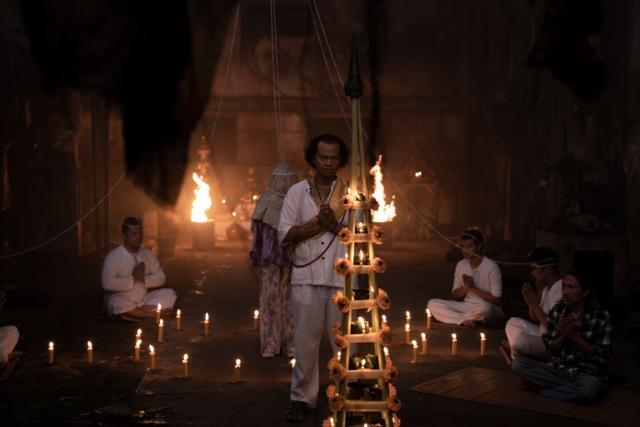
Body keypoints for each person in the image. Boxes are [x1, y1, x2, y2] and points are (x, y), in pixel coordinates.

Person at [278, 134, 349, 423]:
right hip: (305, 275)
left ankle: (344, 394)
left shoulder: (350, 193)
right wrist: (320, 225)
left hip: (339, 277)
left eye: (333, 157)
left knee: (342, 341)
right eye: (323, 157)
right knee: (304, 342)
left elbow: (358, 237)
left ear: (340, 160)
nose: (328, 162)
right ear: (313, 159)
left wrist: (334, 227)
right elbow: (284, 234)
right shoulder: (297, 192)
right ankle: (301, 399)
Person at [512, 271, 613, 402]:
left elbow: (604, 358)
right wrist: (564, 336)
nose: (565, 292)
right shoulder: (559, 310)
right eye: (563, 286)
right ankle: (565, 389)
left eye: (571, 287)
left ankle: (541, 389)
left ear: (585, 292)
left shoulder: (600, 317)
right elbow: (551, 349)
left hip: (586, 374)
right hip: (559, 370)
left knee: (588, 389)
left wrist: (574, 336)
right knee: (518, 364)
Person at [250, 163, 297, 358]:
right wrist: (254, 257)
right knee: (270, 302)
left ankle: (292, 344)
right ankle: (270, 344)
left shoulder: (297, 202)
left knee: (292, 304)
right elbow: (257, 234)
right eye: (282, 179)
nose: (285, 184)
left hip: (293, 262)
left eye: (289, 179)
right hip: (270, 262)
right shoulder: (265, 202)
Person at [101, 217, 176, 320]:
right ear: (124, 235)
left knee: (169, 293)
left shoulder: (147, 254)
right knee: (114, 303)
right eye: (134, 234)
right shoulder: (113, 256)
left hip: (143, 299)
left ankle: (135, 313)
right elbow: (107, 284)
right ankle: (149, 314)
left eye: (140, 234)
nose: (138, 237)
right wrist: (133, 278)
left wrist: (143, 279)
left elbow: (161, 278)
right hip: (122, 299)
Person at [427, 228, 503, 327]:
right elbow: (455, 294)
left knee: (486, 308)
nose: (465, 250)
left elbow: (496, 300)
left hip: (488, 308)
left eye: (469, 247)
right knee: (432, 303)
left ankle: (453, 318)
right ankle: (465, 321)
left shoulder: (492, 267)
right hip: (468, 306)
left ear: (479, 246)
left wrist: (472, 288)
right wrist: (465, 288)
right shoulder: (461, 265)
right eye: (462, 247)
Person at [500, 247, 563, 365]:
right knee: (513, 322)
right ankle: (518, 351)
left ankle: (516, 356)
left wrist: (534, 304)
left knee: (522, 341)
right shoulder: (546, 289)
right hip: (542, 334)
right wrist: (531, 302)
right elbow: (535, 318)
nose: (531, 273)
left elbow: (552, 326)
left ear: (548, 269)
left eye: (534, 269)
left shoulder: (560, 290)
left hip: (553, 343)